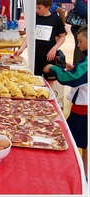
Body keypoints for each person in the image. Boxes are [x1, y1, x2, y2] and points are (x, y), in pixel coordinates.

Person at [43, 25, 88, 181]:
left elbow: (73, 79)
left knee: (71, 142)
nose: (79, 45)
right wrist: (75, 69)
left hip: (82, 110)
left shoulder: (87, 62)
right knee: (84, 143)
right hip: (83, 108)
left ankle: (74, 175)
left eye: (81, 41)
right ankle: (84, 172)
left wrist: (54, 69)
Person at [14, 0, 66, 80]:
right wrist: (21, 48)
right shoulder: (34, 18)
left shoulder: (56, 19)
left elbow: (62, 36)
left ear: (48, 7)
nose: (37, 10)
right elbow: (29, 36)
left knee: (50, 81)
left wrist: (54, 48)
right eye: (35, 7)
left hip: (49, 57)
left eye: (39, 8)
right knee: (34, 80)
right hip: (35, 56)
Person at [70, 0, 88, 65]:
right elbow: (86, 13)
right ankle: (77, 65)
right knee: (79, 47)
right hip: (79, 29)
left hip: (83, 29)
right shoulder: (80, 2)